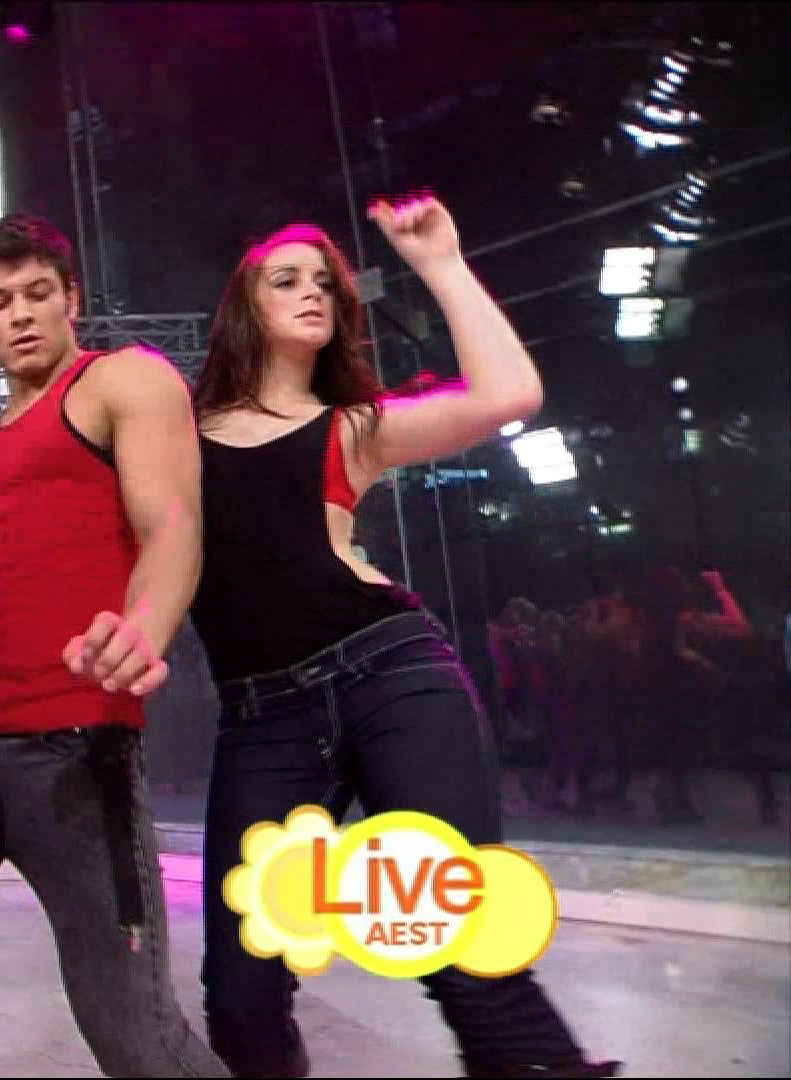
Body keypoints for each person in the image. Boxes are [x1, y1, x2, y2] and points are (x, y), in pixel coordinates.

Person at [188, 196, 621, 1079]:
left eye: (325, 283)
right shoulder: (175, 436)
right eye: (286, 280)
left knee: (462, 947)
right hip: (263, 720)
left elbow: (510, 396)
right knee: (239, 998)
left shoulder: (352, 426)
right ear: (244, 308)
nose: (313, 292)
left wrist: (442, 264)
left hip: (389, 679)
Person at [0, 212, 230, 1078]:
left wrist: (145, 626)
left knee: (135, 1035)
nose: (21, 314)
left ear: (72, 297)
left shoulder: (119, 380)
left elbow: (172, 523)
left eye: (38, 293)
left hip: (70, 748)